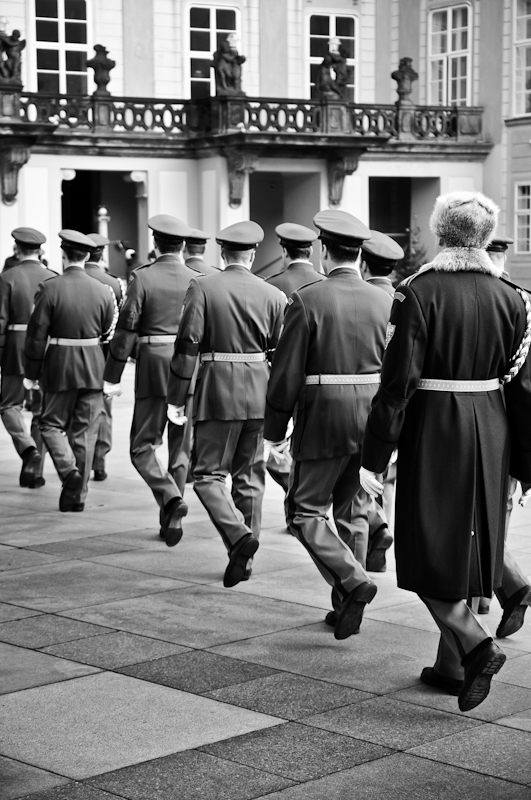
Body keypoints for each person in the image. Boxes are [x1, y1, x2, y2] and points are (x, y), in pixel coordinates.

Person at [360, 191, 531, 711]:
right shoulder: (516, 296)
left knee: (424, 546)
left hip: (436, 425)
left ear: (439, 232)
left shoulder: (416, 292)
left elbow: (398, 384)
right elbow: (524, 389)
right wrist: (525, 464)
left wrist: (375, 454)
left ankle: (476, 644)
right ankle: (451, 666)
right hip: (493, 426)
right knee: (474, 536)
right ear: (484, 237)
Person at [264, 210, 393, 639]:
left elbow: (285, 375)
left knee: (303, 511)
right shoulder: (387, 300)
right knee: (352, 510)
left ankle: (352, 581)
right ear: (360, 253)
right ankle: (345, 605)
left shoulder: (308, 298)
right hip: (371, 416)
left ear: (324, 248)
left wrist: (274, 429)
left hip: (323, 416)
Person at [167, 221, 285, 587]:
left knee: (207, 475)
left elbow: (187, 344)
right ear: (252, 254)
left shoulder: (202, 286)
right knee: (250, 478)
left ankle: (237, 537)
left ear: (223, 253)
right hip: (260, 390)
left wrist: (176, 397)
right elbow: (281, 355)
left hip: (217, 388)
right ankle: (244, 559)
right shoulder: (274, 295)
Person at [103, 215, 199, 545]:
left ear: (156, 245)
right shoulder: (198, 278)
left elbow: (127, 328)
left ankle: (169, 499)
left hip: (154, 366)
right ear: (183, 246)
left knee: (142, 446)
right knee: (180, 448)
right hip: (189, 369)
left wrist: (112, 376)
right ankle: (171, 521)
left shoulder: (142, 278)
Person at [24, 230, 116, 512]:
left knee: (49, 424)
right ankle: (78, 497)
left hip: (61, 365)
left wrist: (31, 371)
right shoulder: (104, 290)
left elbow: (37, 333)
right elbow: (106, 332)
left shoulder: (49, 288)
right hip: (93, 366)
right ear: (87, 256)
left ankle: (68, 472)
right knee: (85, 434)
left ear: (64, 256)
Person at [474, 234, 531, 632]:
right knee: (496, 512)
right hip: (510, 423)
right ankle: (504, 588)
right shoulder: (522, 299)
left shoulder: (502, 299)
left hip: (488, 419)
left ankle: (500, 588)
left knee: (473, 514)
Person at [356, 230, 405, 572]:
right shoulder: (404, 298)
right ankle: (382, 535)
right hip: (397, 400)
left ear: (362, 261)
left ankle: (376, 525)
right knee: (387, 478)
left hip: (366, 399)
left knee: (362, 480)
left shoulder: (362, 297)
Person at [265, 223, 325, 495]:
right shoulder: (326, 284)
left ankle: (300, 501)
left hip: (277, 377)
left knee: (275, 452)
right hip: (320, 380)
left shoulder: (269, 286)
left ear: (284, 252)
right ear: (311, 251)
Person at [0, 228, 56, 488]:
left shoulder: (7, 277)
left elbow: (0, 321)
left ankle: (27, 449)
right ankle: (34, 471)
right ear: (40, 251)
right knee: (40, 411)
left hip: (15, 346)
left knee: (9, 405)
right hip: (45, 350)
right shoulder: (54, 278)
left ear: (17, 249)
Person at [85, 233, 123, 482]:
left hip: (76, 354)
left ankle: (82, 460)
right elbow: (116, 326)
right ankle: (99, 462)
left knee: (78, 411)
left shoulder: (64, 279)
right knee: (104, 412)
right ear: (101, 255)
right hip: (104, 354)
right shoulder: (114, 284)